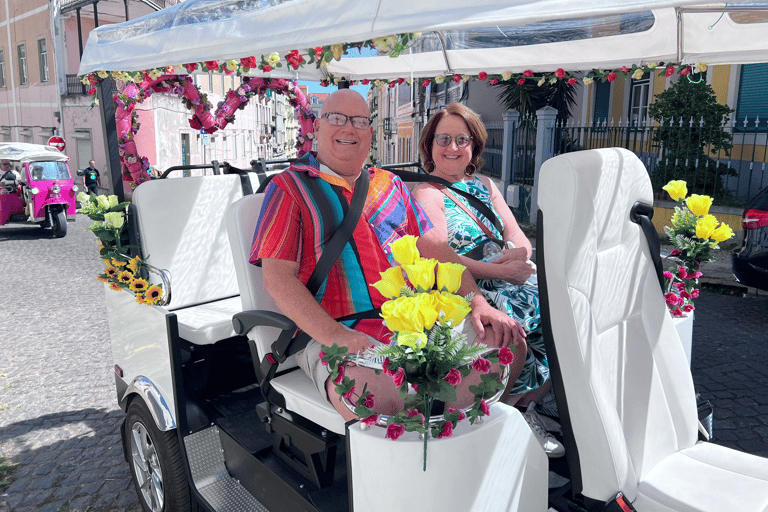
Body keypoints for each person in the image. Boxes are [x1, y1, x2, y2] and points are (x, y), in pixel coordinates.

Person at [250, 90, 525, 422]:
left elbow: (437, 251)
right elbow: (277, 280)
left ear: (370, 133)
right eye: (336, 118)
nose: (348, 129)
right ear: (316, 129)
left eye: (359, 121)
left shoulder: (390, 185)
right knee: (378, 392)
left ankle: (460, 446)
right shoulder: (289, 189)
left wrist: (477, 301)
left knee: (508, 341)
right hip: (337, 329)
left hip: (414, 322)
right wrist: (336, 336)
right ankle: (414, 459)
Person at [411, 103, 564, 457]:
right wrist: (501, 271)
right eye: (443, 139)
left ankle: (528, 406)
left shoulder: (484, 184)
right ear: (429, 146)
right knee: (518, 326)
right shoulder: (427, 193)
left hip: (509, 278)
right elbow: (439, 256)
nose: (452, 147)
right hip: (465, 287)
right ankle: (509, 415)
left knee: (568, 317)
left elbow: (519, 235)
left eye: (461, 139)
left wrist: (520, 254)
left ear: (474, 146)